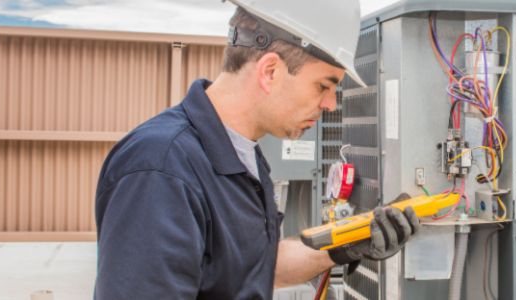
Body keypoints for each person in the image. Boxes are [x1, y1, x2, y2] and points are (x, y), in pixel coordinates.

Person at [93, 0, 421, 299]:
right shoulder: (161, 169)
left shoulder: (240, 155)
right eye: (323, 85)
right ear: (270, 71)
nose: (331, 104)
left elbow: (258, 265)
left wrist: (349, 244)